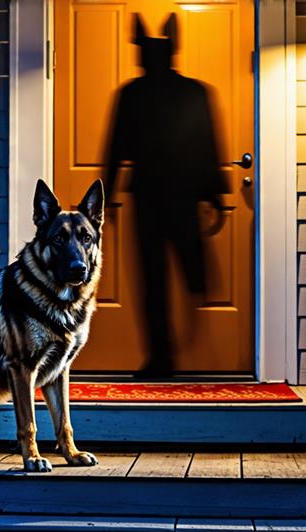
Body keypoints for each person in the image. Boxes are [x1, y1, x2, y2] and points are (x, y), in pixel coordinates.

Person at [103, 12, 228, 378]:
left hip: (154, 195)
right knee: (165, 275)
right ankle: (169, 352)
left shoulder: (133, 94)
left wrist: (107, 196)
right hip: (178, 193)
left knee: (154, 278)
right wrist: (214, 195)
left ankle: (167, 354)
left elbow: (115, 149)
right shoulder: (193, 92)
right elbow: (209, 144)